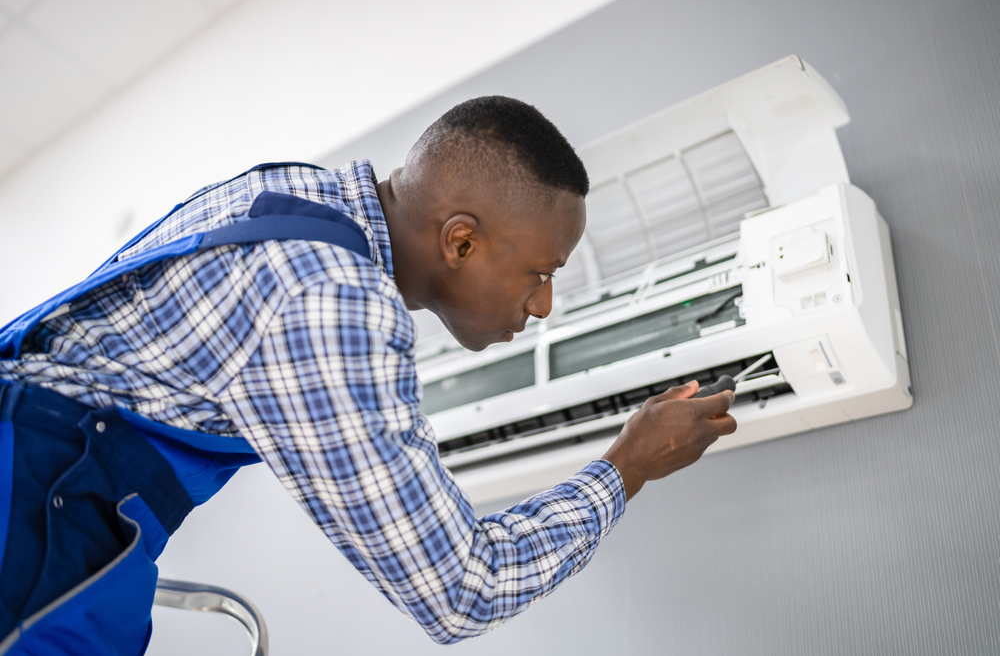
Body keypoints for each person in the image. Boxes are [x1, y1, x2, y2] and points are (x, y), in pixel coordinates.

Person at [0, 96, 736, 653]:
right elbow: (462, 590)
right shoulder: (334, 299)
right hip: (28, 521)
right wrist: (626, 465)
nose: (542, 304)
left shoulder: (293, 193)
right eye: (540, 272)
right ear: (462, 240)